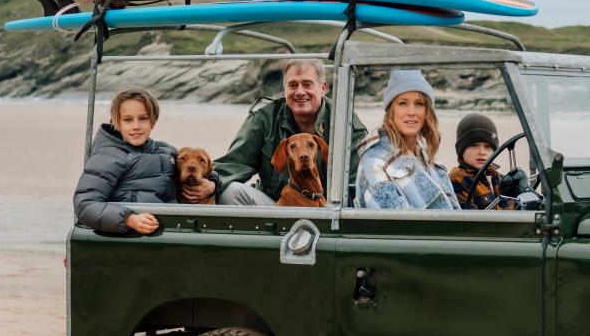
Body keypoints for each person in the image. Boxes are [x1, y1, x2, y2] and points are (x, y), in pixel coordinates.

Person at [180, 60, 368, 206]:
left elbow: (356, 183)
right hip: (276, 207)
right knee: (230, 191)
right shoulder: (264, 119)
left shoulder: (345, 122)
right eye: (293, 85)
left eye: (307, 84)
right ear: (284, 89)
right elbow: (234, 163)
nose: (300, 92)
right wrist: (213, 183)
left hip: (327, 210)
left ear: (322, 88)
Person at [73, 88, 176, 233]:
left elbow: (201, 170)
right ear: (117, 123)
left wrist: (210, 184)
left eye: (143, 118)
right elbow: (85, 204)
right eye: (128, 120)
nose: (136, 126)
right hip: (130, 234)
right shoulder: (109, 156)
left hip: (172, 226)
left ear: (153, 121)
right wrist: (128, 219)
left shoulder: (165, 151)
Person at [355, 70, 459, 210]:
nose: (411, 112)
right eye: (403, 103)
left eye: (419, 104)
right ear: (391, 110)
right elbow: (398, 226)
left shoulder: (428, 158)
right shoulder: (375, 163)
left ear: (427, 112)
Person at [448, 113, 528, 210]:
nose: (482, 152)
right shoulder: (456, 179)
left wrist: (525, 193)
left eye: (488, 147)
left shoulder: (500, 179)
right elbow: (472, 221)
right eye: (474, 145)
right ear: (461, 150)